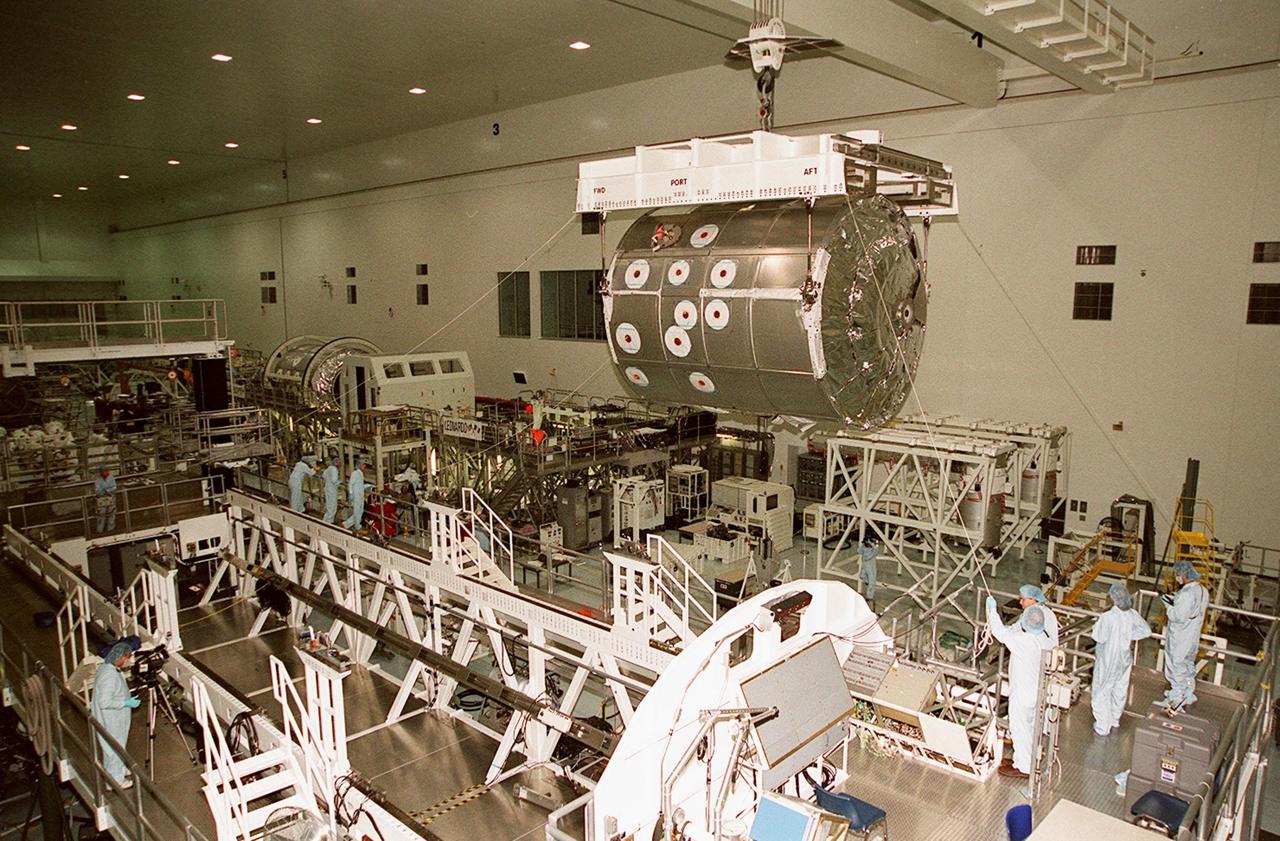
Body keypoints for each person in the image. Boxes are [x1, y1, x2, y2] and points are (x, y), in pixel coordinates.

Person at [987, 595, 1054, 779]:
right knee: (1031, 728)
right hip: (1037, 691)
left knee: (1020, 728)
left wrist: (992, 611)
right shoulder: (1043, 637)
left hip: (1023, 694)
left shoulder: (1024, 641)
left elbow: (1000, 633)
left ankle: (1024, 767)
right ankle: (1025, 759)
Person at [1091, 583, 1152, 736]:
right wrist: (1129, 636)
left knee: (1101, 691)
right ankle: (1114, 719)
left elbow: (1098, 636)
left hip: (1108, 659)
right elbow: (1146, 631)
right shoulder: (1132, 614)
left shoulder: (1108, 617)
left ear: (1112, 598)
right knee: (1119, 688)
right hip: (1124, 658)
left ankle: (1102, 727)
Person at [91, 641, 140, 788]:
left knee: (115, 746)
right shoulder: (109, 676)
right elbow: (105, 702)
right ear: (119, 657)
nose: (128, 661)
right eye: (127, 657)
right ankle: (115, 781)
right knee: (114, 747)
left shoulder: (107, 668)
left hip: (114, 717)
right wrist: (125, 703)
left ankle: (118, 770)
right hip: (111, 718)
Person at [1162, 560, 1209, 709]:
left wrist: (1168, 606)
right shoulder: (1202, 590)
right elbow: (1193, 608)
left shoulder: (1187, 594)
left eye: (1178, 574)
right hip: (1193, 635)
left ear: (1183, 575)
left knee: (1176, 665)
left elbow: (1178, 616)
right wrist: (1177, 598)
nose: (1177, 577)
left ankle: (1176, 698)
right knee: (1188, 664)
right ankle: (1188, 693)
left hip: (1180, 636)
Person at [343, 459, 367, 529]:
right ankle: (357, 527)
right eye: (363, 465)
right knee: (357, 512)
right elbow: (350, 484)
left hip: (360, 495)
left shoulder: (361, 474)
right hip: (356, 496)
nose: (365, 466)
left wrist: (368, 486)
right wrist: (350, 494)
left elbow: (360, 485)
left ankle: (346, 524)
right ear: (359, 465)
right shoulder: (355, 473)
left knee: (360, 511)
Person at [94, 465, 117, 533]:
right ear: (101, 472)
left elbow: (114, 488)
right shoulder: (98, 480)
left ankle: (111, 528)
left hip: (111, 497)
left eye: (106, 471)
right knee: (101, 514)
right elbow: (97, 491)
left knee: (112, 513)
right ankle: (100, 530)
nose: (106, 472)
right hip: (101, 499)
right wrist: (105, 491)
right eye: (104, 471)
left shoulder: (111, 478)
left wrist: (107, 491)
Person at [858, 535, 880, 604]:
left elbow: (876, 550)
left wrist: (872, 544)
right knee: (862, 576)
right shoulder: (864, 548)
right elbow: (859, 551)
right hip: (865, 565)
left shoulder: (873, 551)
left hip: (871, 567)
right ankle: (867, 581)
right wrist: (863, 544)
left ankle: (869, 596)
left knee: (872, 581)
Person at [321, 456, 341, 524]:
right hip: (332, 490)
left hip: (327, 489)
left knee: (329, 507)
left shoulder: (328, 468)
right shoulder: (334, 469)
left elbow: (323, 476)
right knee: (332, 508)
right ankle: (328, 522)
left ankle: (326, 521)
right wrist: (339, 482)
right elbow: (334, 480)